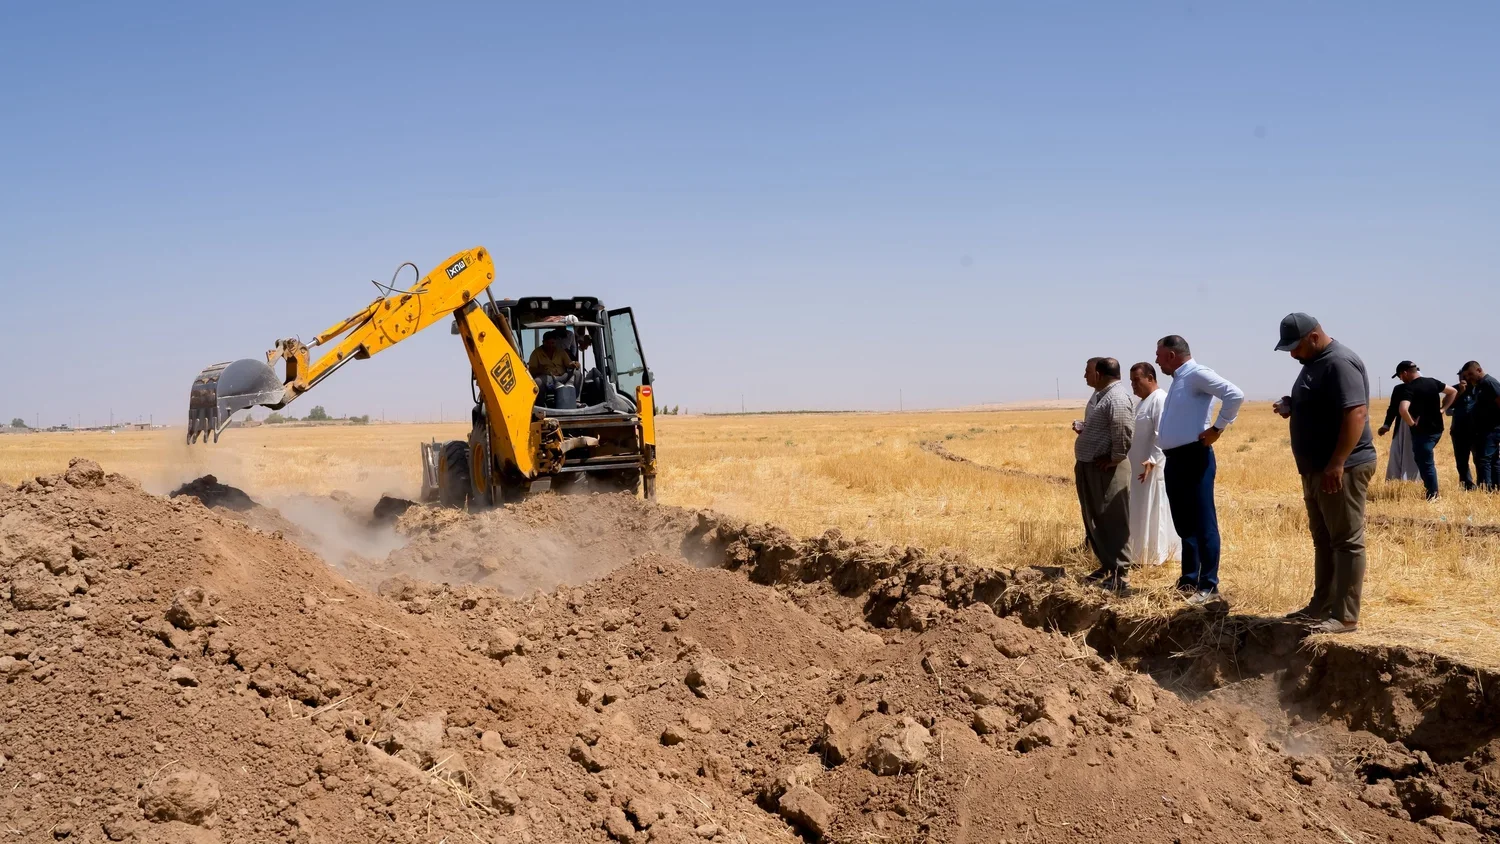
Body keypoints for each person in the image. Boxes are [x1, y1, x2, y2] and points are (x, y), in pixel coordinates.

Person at [1272, 313, 1378, 634]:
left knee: (1345, 541)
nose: (1292, 354)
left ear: (1314, 337)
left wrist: (1337, 462)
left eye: (1296, 346)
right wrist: (1294, 405)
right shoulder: (1313, 364)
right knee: (1324, 540)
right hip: (1317, 468)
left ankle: (1345, 616)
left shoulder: (1339, 362)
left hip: (1341, 467)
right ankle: (1321, 605)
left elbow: (1355, 412)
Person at [1155, 335, 1244, 604]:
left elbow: (1234, 394)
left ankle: (1209, 585)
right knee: (1184, 523)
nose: (1156, 360)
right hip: (1174, 459)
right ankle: (1189, 579)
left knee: (1203, 522)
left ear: (1171, 354)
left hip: (1194, 457)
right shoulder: (1180, 380)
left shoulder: (1196, 374)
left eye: (1159, 355)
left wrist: (1218, 428)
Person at [1073, 357, 1135, 590]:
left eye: (1087, 371)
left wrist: (1115, 458)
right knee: (1096, 518)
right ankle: (1108, 565)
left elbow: (1124, 430)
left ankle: (1121, 573)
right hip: (1092, 466)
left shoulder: (1116, 398)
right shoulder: (1102, 397)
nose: (1085, 375)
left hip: (1107, 469)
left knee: (1112, 518)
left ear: (1099, 374)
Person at [1126, 362, 1179, 566]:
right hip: (1138, 466)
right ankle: (1139, 553)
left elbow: (1160, 433)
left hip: (1151, 467)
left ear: (1150, 378)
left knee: (1153, 508)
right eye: (1131, 381)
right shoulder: (1142, 402)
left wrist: (1153, 460)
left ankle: (1154, 556)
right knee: (1140, 508)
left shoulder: (1160, 399)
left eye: (1136, 380)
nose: (1133, 385)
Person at [1378, 362, 1455, 500]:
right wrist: (1443, 409)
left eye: (1400, 376)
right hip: (1434, 429)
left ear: (1405, 373)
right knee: (1421, 459)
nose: (1401, 379)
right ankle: (1430, 491)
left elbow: (1401, 409)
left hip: (1418, 429)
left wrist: (1412, 426)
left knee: (1424, 462)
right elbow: (1453, 391)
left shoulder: (1409, 388)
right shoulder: (1432, 383)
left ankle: (1433, 493)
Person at [1460, 361, 1500, 490]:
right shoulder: (1479, 385)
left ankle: (1486, 490)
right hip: (1483, 430)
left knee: (1484, 461)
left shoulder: (1489, 383)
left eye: (1470, 374)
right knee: (1492, 460)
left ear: (1479, 370)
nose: (1468, 378)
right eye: (1466, 376)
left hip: (1491, 430)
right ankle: (1495, 489)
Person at [1376, 375, 1421, 484]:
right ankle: (1396, 483)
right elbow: (1393, 408)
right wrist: (1386, 425)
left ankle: (1416, 483)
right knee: (1397, 453)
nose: (1400, 378)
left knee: (1417, 454)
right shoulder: (1399, 389)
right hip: (1402, 426)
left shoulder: (1425, 386)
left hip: (1421, 427)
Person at [1448, 375, 1478, 491]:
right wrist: (1460, 392)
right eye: (1461, 377)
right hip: (1458, 430)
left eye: (1465, 377)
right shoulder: (1454, 390)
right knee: (1461, 461)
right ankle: (1467, 485)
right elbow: (1448, 408)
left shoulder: (1479, 388)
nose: (1463, 379)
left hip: (1476, 431)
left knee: (1480, 459)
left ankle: (1484, 483)